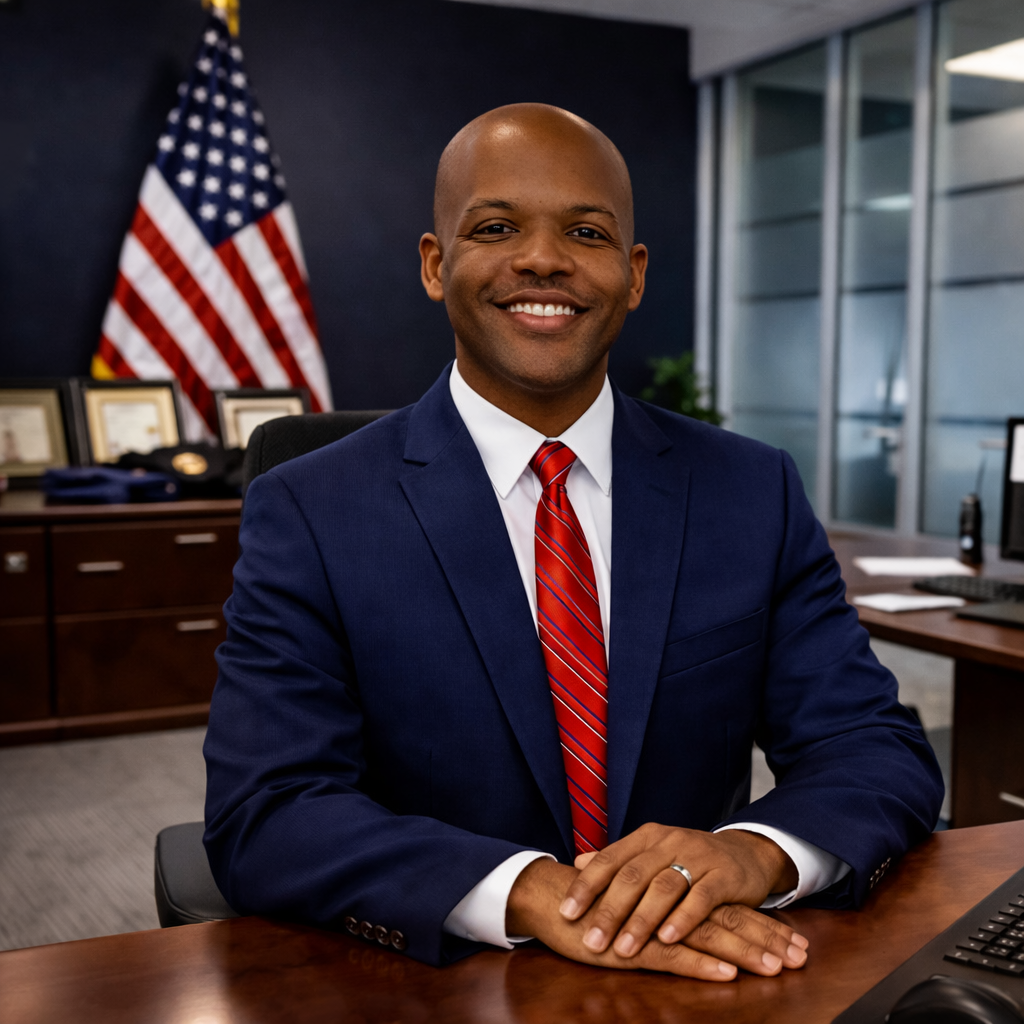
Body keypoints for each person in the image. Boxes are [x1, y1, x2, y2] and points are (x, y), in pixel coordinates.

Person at [203, 103, 943, 979]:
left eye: (586, 231)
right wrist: (527, 889)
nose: (544, 258)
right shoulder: (312, 507)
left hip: (709, 980)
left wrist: (755, 853)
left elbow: (873, 746)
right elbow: (269, 809)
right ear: (437, 266)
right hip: (441, 985)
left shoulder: (751, 489)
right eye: (497, 226)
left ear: (631, 276)